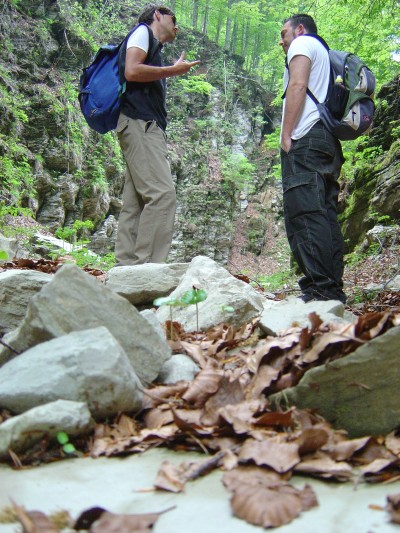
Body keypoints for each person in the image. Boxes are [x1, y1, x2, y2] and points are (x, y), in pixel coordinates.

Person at [115, 4, 200, 265]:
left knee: (136, 201)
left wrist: (167, 70)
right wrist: (171, 71)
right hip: (141, 125)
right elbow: (132, 70)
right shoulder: (143, 32)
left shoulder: (151, 45)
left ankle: (126, 268)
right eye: (173, 19)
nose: (177, 26)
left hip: (136, 125)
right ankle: (147, 269)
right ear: (158, 16)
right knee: (162, 195)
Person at [279, 13, 346, 303]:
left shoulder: (303, 44)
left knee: (305, 211)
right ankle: (330, 289)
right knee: (325, 212)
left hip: (305, 136)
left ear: (300, 29)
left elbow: (297, 85)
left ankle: (319, 289)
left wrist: (286, 133)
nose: (281, 40)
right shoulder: (325, 54)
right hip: (326, 139)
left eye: (284, 33)